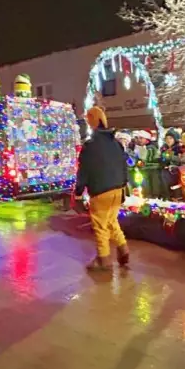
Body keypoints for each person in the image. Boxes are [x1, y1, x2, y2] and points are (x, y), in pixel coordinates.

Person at [74, 106, 130, 270]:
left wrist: (78, 193)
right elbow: (124, 166)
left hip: (101, 191)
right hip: (117, 190)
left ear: (92, 121)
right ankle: (123, 249)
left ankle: (103, 259)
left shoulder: (90, 146)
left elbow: (83, 171)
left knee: (100, 225)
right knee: (112, 220)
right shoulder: (116, 144)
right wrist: (124, 186)